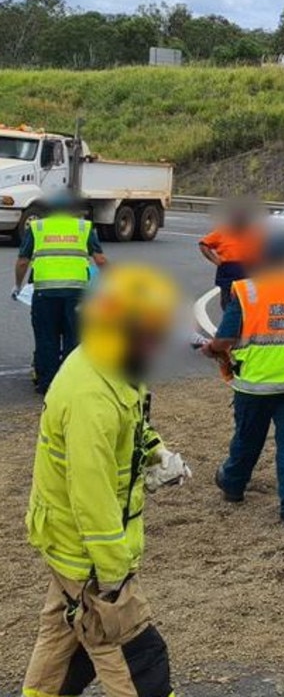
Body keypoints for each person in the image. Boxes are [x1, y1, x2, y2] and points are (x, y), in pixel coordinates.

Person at [22, 264, 190, 697]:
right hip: (90, 555)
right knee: (138, 659)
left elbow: (132, 424)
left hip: (73, 548)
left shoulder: (113, 364)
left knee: (63, 640)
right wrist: (113, 575)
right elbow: (90, 494)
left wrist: (158, 452)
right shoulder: (91, 396)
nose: (158, 341)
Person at [204, 231, 284, 530]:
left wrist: (210, 350)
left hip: (254, 384)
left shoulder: (248, 292)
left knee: (248, 438)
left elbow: (224, 339)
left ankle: (233, 486)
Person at [10, 188, 109, 393]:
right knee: (74, 338)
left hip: (45, 293)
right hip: (77, 294)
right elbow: (100, 260)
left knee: (47, 339)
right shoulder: (83, 227)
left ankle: (48, 385)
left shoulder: (37, 227)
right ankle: (72, 384)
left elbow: (22, 262)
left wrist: (18, 286)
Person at [199, 202, 263, 309]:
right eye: (237, 220)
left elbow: (263, 248)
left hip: (248, 269)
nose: (239, 222)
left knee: (248, 301)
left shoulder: (254, 233)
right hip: (227, 269)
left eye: (242, 220)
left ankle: (244, 321)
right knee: (227, 300)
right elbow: (203, 244)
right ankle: (228, 319)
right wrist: (215, 260)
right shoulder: (222, 232)